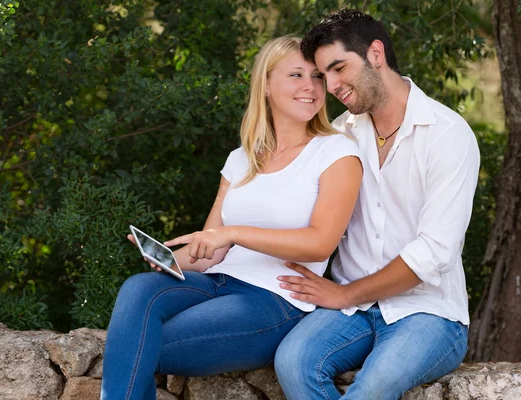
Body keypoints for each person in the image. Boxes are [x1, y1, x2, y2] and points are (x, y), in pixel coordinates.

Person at [100, 35, 363, 400]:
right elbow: (211, 248)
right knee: (139, 287)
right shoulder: (241, 158)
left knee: (138, 346)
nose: (311, 86)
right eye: (296, 75)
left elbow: (320, 243)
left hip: (274, 300)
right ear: (266, 86)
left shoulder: (336, 152)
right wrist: (167, 258)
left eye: (317, 77)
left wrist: (234, 233)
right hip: (215, 284)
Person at [274, 9, 480, 400]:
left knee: (374, 387)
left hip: (429, 312)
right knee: (293, 362)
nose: (331, 86)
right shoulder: (338, 137)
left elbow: (433, 252)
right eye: (324, 76)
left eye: (338, 68)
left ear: (376, 53)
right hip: (352, 311)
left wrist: (345, 294)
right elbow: (295, 211)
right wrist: (220, 241)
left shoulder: (448, 135)